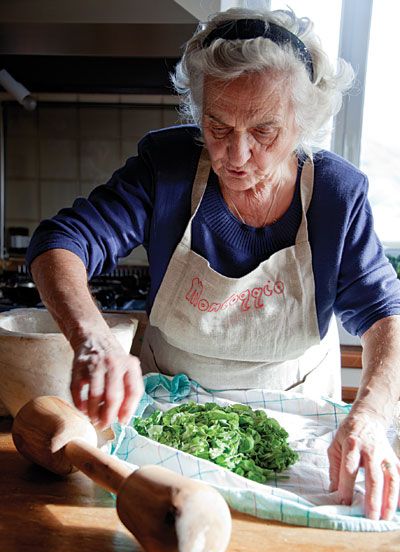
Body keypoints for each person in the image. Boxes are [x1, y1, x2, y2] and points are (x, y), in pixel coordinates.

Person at [26, 8, 400, 521]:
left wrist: (372, 416)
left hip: (297, 432)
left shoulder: (337, 194)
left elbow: (386, 315)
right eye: (218, 127)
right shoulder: (169, 168)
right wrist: (93, 338)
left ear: (302, 121)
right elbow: (59, 241)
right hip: (166, 424)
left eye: (264, 131)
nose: (237, 154)